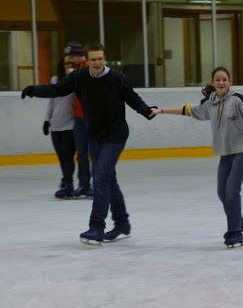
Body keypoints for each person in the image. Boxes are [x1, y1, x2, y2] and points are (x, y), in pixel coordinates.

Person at [21, 41, 159, 244]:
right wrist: (34, 90)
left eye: (100, 59)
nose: (97, 63)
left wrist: (147, 111)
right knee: (109, 180)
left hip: (115, 136)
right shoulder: (79, 77)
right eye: (93, 59)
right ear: (87, 60)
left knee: (100, 177)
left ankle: (96, 227)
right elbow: (57, 90)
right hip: (94, 137)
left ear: (105, 58)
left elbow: (133, 98)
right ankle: (122, 224)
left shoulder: (116, 78)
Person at [154, 67, 243, 248]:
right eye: (218, 80)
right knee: (222, 193)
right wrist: (162, 111)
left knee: (232, 190)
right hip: (226, 153)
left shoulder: (237, 99)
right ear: (213, 83)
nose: (221, 83)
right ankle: (241, 224)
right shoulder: (210, 103)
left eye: (224, 79)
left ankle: (235, 233)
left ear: (229, 82)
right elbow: (189, 110)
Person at [44, 56, 76, 198]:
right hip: (55, 126)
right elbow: (51, 101)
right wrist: (46, 120)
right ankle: (65, 180)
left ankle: (69, 184)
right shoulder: (55, 81)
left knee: (67, 155)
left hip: (70, 125)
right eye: (66, 63)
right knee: (61, 157)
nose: (68, 65)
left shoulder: (76, 81)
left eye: (71, 63)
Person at [65, 41, 93, 198]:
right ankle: (84, 185)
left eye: (70, 56)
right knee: (81, 153)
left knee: (95, 153)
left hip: (92, 118)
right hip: (79, 118)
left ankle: (98, 185)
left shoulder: (88, 68)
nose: (68, 59)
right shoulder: (73, 70)